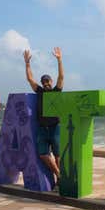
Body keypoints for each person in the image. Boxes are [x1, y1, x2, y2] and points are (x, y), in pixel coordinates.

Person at [24, 47, 64, 184]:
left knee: (58, 155)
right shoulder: (39, 92)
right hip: (42, 128)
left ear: (51, 82)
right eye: (44, 81)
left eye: (48, 81)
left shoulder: (56, 91)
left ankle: (60, 182)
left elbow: (61, 77)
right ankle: (58, 174)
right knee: (42, 154)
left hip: (55, 127)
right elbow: (30, 79)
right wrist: (27, 63)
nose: (46, 83)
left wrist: (59, 60)